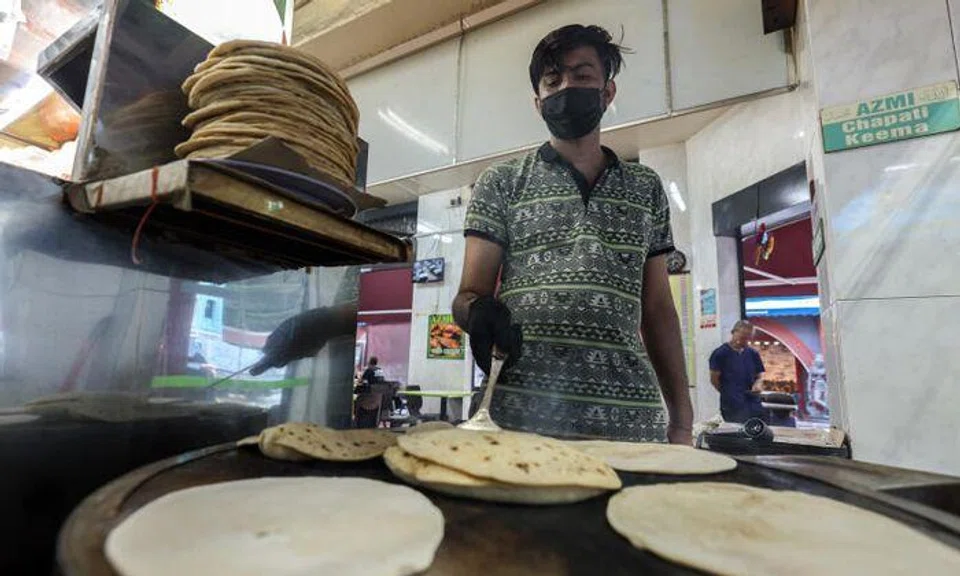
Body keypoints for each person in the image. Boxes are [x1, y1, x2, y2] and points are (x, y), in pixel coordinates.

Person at [453, 24, 693, 444]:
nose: (566, 88)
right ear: (538, 102)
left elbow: (658, 309)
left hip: (630, 424)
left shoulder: (646, 187)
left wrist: (682, 421)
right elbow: (467, 296)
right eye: (553, 81)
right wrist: (477, 312)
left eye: (582, 75)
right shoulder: (502, 182)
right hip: (518, 417)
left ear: (607, 92)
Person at [709, 320, 765, 423]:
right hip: (732, 404)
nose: (745, 341)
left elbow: (760, 373)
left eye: (748, 338)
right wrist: (727, 392)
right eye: (742, 337)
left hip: (752, 402)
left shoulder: (753, 353)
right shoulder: (720, 353)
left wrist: (758, 383)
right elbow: (714, 379)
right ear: (733, 332)